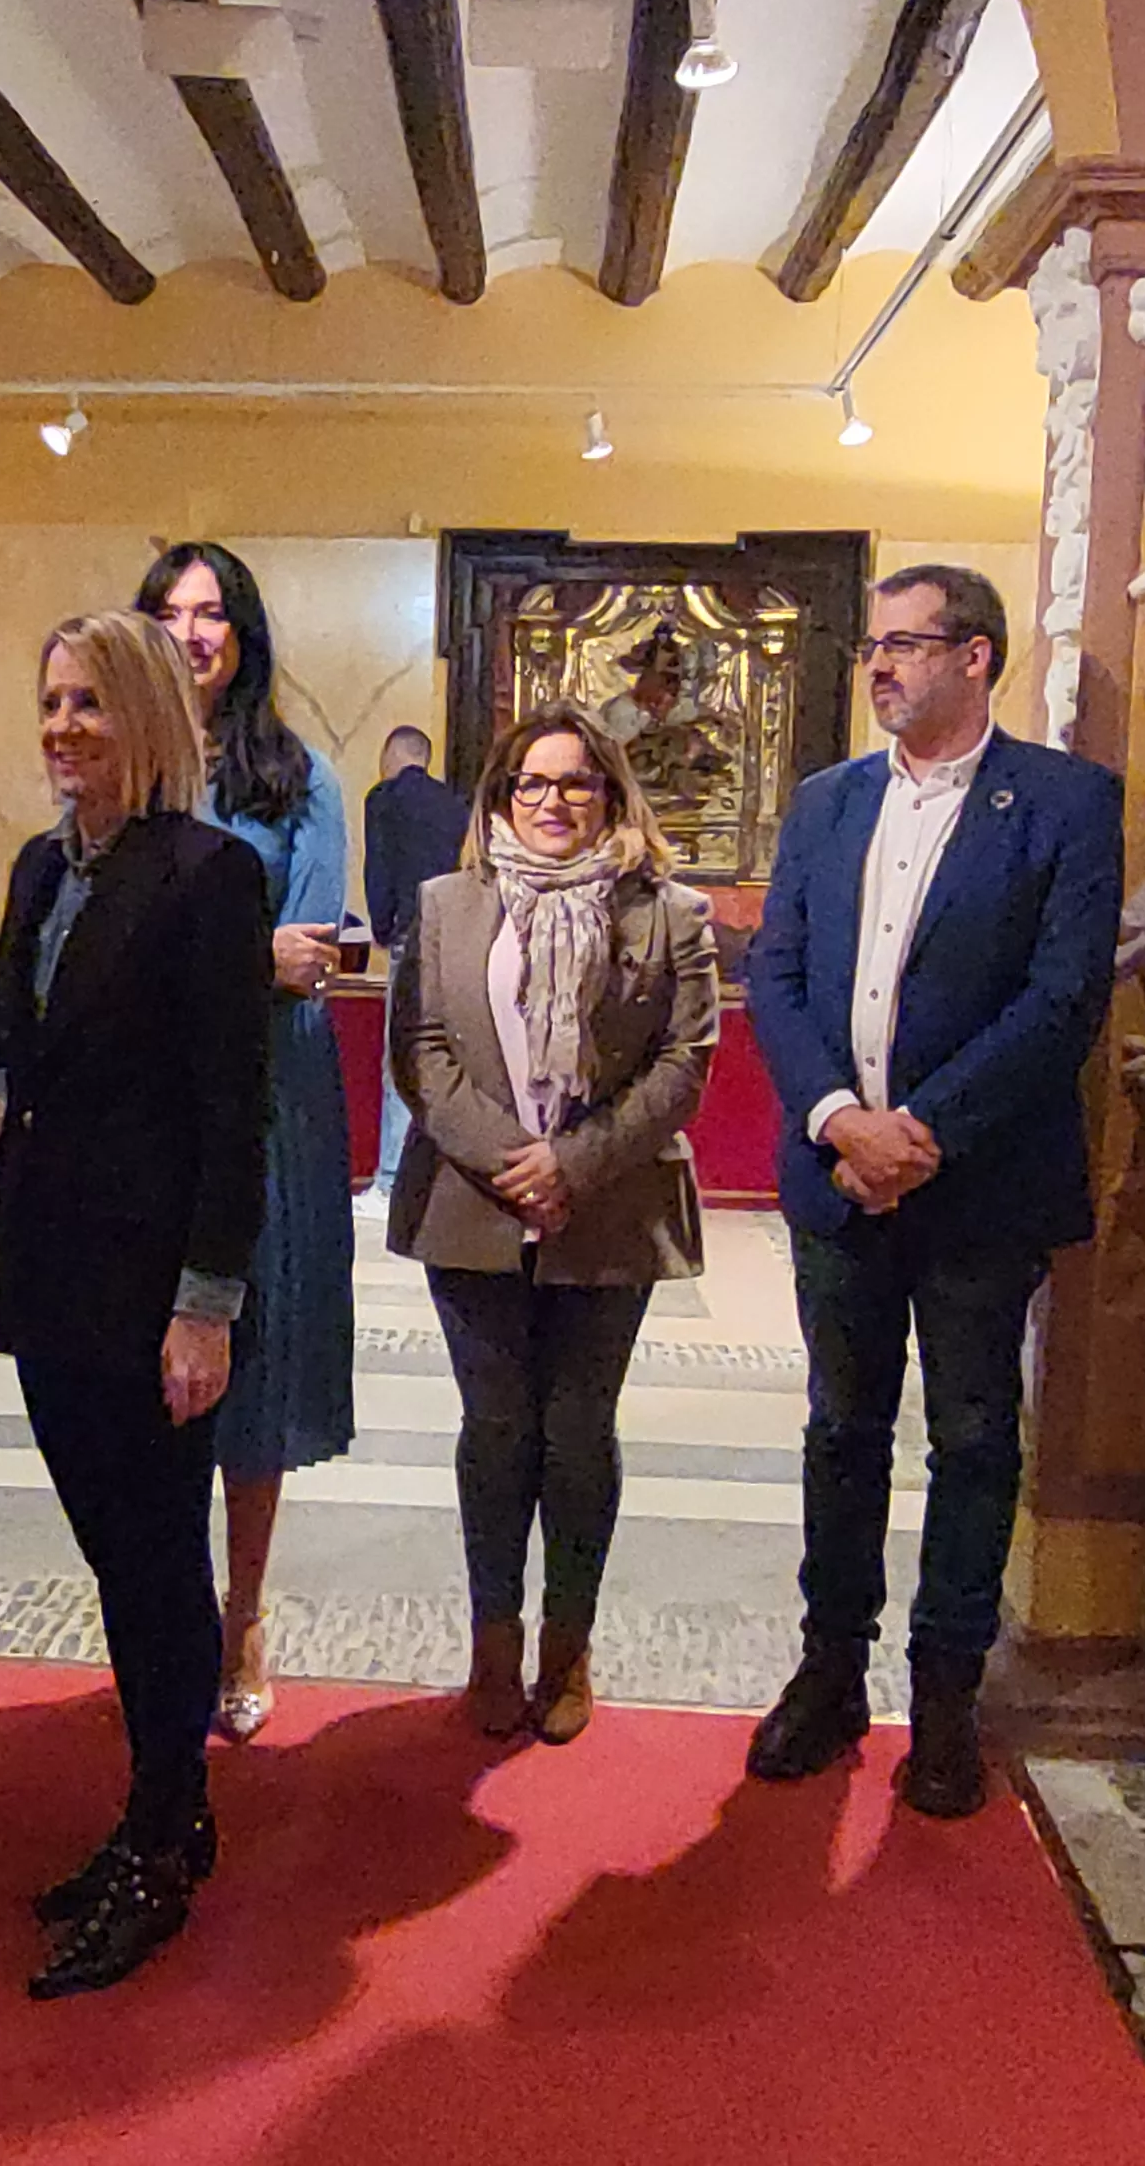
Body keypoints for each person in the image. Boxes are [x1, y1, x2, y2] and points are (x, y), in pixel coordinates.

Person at [740, 564, 1125, 1817]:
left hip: (978, 1186)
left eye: (907, 644)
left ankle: (946, 1693)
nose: (881, 665)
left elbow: (1062, 997)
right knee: (840, 1430)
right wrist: (837, 1118)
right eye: (875, 644)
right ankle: (829, 1671)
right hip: (837, 1174)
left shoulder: (1063, 802)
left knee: (971, 1437)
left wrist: (924, 1132)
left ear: (976, 657)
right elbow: (774, 974)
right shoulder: (827, 801)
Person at [0, 610, 274, 1999]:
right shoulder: (44, 869)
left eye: (88, 701)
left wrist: (206, 1307)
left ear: (146, 713)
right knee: (119, 1562)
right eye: (50, 700)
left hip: (150, 1291)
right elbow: (1, 1033)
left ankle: (161, 1840)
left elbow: (232, 1112)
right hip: (47, 1276)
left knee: (155, 1571)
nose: (62, 726)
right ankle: (169, 1813)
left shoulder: (209, 874)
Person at [390, 705, 717, 1744]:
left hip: (610, 1203)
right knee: (495, 1428)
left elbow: (685, 1062)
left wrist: (571, 1162)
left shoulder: (666, 911)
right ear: (499, 796)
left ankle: (567, 1646)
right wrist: (509, 1160)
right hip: (472, 1203)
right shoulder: (445, 903)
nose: (552, 800)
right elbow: (421, 1050)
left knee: (577, 1432)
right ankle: (493, 1641)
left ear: (610, 793)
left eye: (575, 781)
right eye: (530, 782)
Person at [140, 541, 357, 1741]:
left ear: (245, 632)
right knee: (142, 1365)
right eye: (171, 610)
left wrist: (191, 962)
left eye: (213, 610)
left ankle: (245, 1615)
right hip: (141, 1104)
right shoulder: (122, 767)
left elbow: (303, 957)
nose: (191, 631)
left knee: (251, 1359)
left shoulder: (297, 779)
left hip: (270, 1096)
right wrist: (231, 956)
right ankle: (163, 1611)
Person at [362, 723, 472, 1198]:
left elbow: (379, 868)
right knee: (448, 1053)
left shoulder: (384, 798)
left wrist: (381, 927)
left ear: (391, 757)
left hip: (411, 934)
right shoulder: (456, 805)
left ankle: (391, 1177)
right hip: (456, 936)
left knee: (401, 1053)